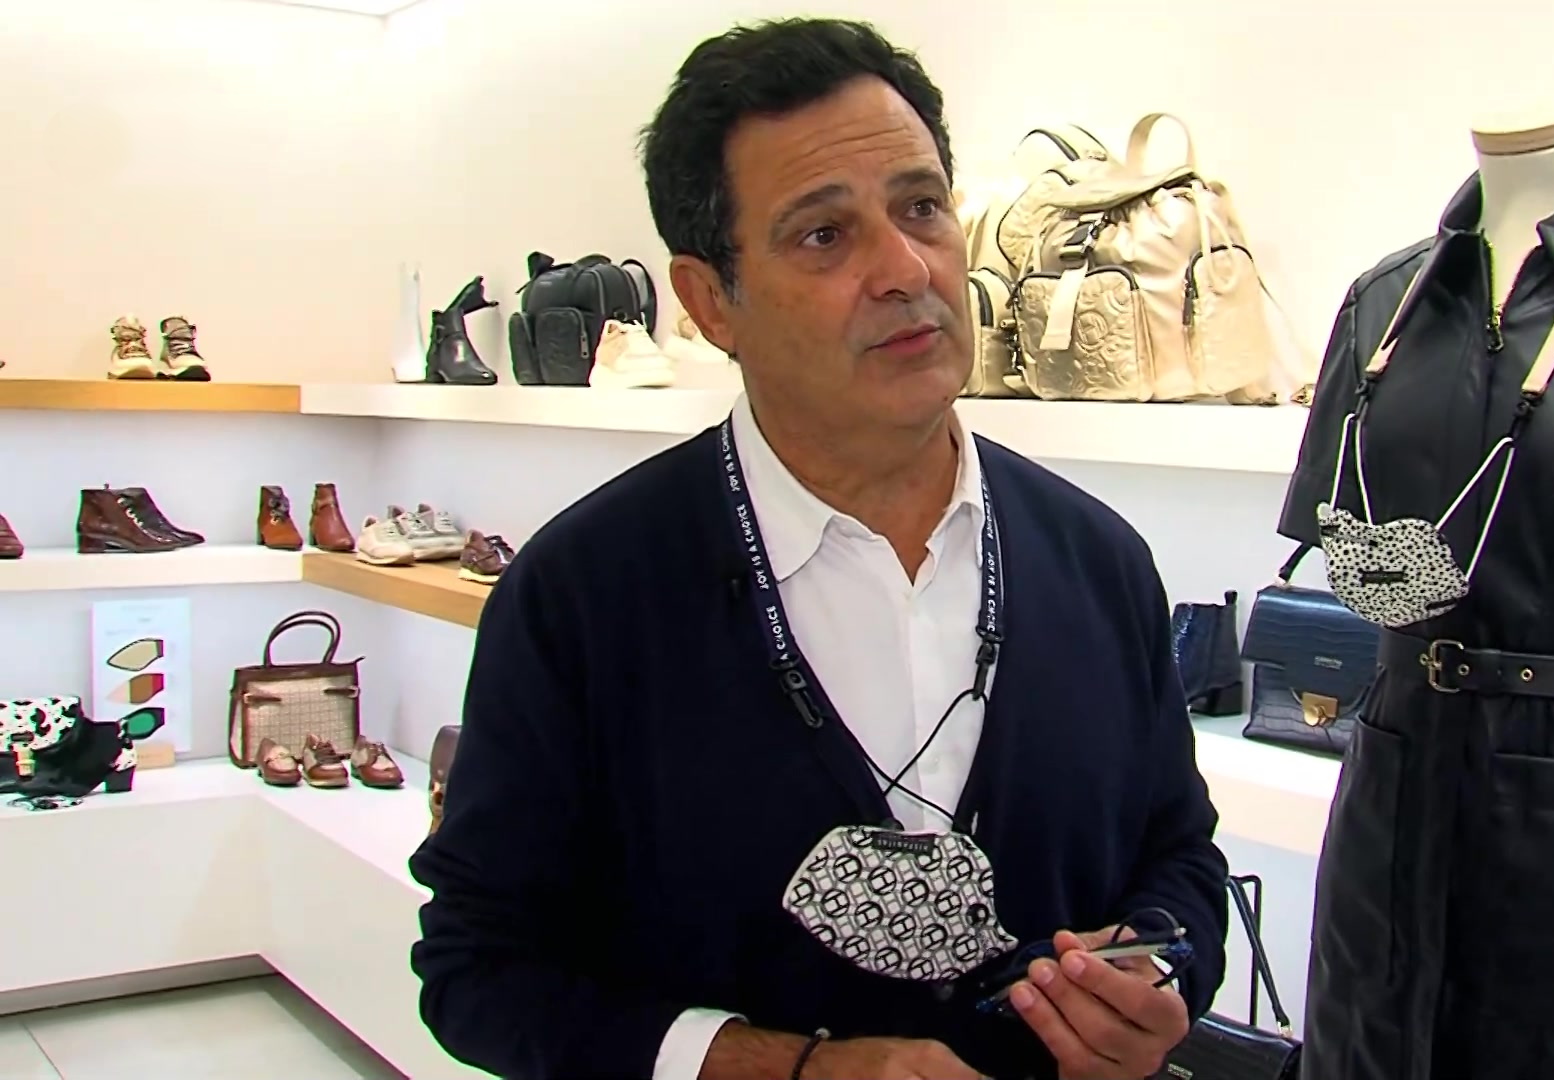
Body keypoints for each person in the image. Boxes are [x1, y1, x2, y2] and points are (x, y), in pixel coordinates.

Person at [410, 17, 1227, 1080]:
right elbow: (479, 969)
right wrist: (779, 1067)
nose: (905, 268)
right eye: (824, 235)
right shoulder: (584, 595)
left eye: (921, 207)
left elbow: (1180, 856)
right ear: (710, 302)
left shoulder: (1098, 560)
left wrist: (1157, 976)